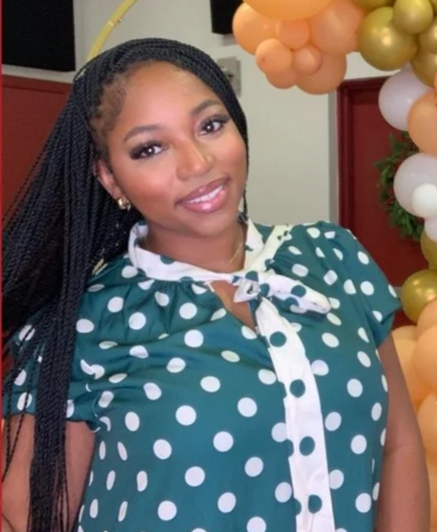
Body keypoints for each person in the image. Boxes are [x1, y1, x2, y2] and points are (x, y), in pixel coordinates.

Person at [2, 38, 429, 532]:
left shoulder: (332, 257)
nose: (197, 163)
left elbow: (398, 446)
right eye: (150, 148)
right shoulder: (83, 325)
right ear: (111, 178)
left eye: (210, 125)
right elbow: (28, 519)